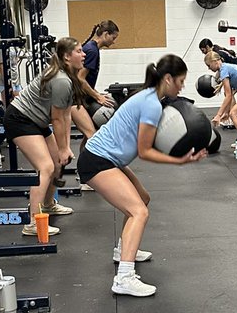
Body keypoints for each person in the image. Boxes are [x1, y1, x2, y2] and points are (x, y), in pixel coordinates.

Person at [76, 54, 207, 297]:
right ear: (168, 79)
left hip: (109, 158)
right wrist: (180, 160)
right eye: (180, 81)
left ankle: (123, 249)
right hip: (97, 160)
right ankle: (124, 277)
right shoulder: (151, 103)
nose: (182, 86)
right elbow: (145, 151)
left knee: (142, 199)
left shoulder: (149, 96)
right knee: (139, 211)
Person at [2, 37, 86, 237]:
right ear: (67, 57)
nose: (84, 55)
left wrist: (64, 148)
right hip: (20, 119)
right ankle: (32, 222)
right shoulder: (61, 80)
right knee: (46, 167)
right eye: (79, 51)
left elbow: (66, 114)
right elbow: (57, 119)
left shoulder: (69, 77)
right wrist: (64, 147)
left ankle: (48, 205)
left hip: (36, 121)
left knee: (57, 163)